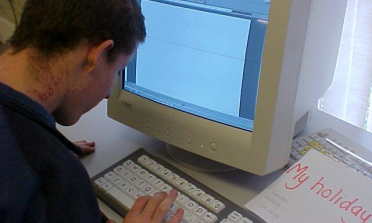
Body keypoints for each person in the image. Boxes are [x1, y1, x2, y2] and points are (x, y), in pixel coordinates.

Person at [0, 0, 184, 222]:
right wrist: (48, 160)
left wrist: (43, 140)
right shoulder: (50, 177)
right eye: (117, 72)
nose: (108, 93)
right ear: (97, 57)